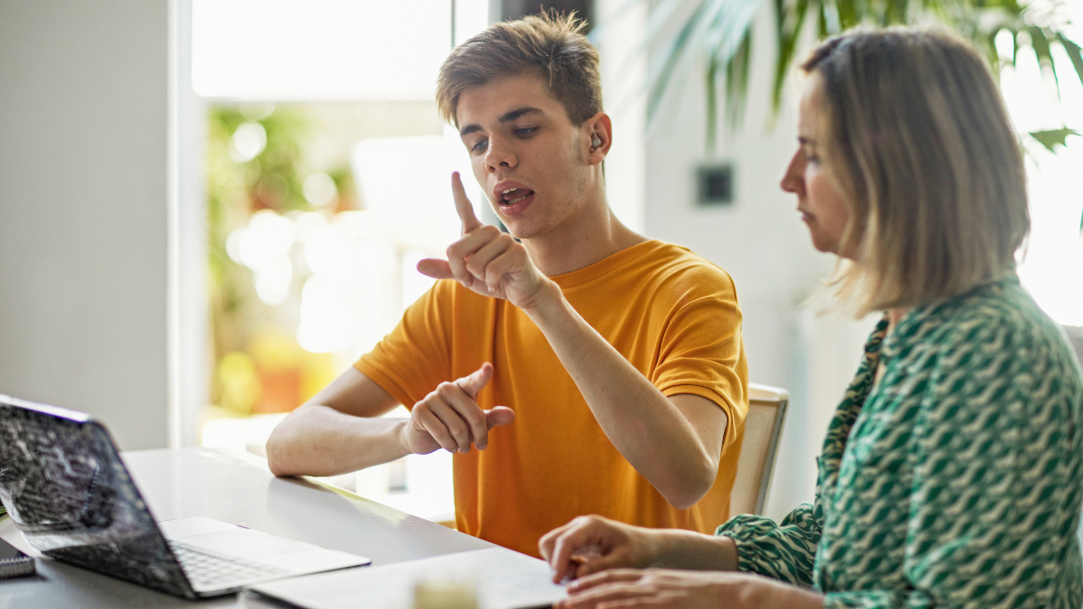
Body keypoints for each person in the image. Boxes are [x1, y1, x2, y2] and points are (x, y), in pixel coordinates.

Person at [539, 27, 1083, 608]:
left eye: (817, 154)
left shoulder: (992, 353)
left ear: (901, 169)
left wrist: (746, 599)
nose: (789, 177)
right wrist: (659, 549)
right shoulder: (908, 332)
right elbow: (833, 542)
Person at [265, 12, 749, 558]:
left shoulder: (689, 289)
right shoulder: (462, 297)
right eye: (476, 143)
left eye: (523, 129)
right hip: (495, 593)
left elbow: (686, 476)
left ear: (596, 137)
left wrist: (541, 300)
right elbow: (287, 442)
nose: (496, 157)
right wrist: (404, 436)